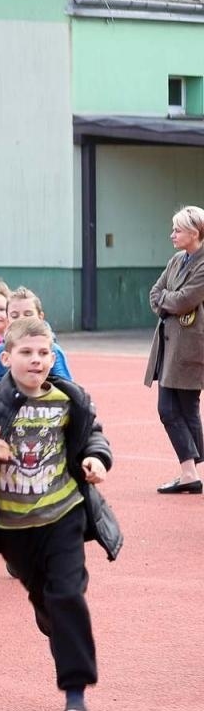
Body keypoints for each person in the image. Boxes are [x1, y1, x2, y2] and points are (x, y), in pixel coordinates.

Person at [0, 317, 120, 711]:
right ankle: (52, 612)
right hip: (12, 527)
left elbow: (94, 435)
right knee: (48, 601)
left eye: (43, 353)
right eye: (26, 352)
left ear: (52, 358)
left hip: (63, 513)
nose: (36, 360)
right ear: (7, 358)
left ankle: (75, 690)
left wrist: (96, 458)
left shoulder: (69, 399)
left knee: (68, 593)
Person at [144, 205, 204, 495]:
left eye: (177, 230)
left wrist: (168, 301)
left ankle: (190, 472)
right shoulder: (177, 259)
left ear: (194, 233)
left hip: (191, 347)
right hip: (170, 344)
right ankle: (190, 473)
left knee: (178, 408)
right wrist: (168, 300)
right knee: (176, 408)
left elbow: (184, 301)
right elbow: (156, 293)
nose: (172, 235)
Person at [0, 288, 72, 388]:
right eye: (14, 316)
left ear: (40, 317)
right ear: (7, 320)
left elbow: (66, 388)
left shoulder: (54, 350)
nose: (21, 319)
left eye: (28, 314)